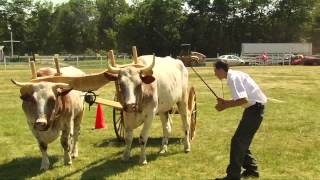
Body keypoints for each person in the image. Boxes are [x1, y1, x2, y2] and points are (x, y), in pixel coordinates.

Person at [213, 61, 267, 180]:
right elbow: (242, 98)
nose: (215, 74)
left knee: (238, 141)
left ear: (221, 70)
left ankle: (233, 176)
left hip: (254, 110)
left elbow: (243, 99)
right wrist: (226, 102)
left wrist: (225, 105)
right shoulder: (235, 75)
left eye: (215, 71)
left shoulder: (233, 78)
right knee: (241, 141)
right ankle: (252, 170)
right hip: (254, 109)